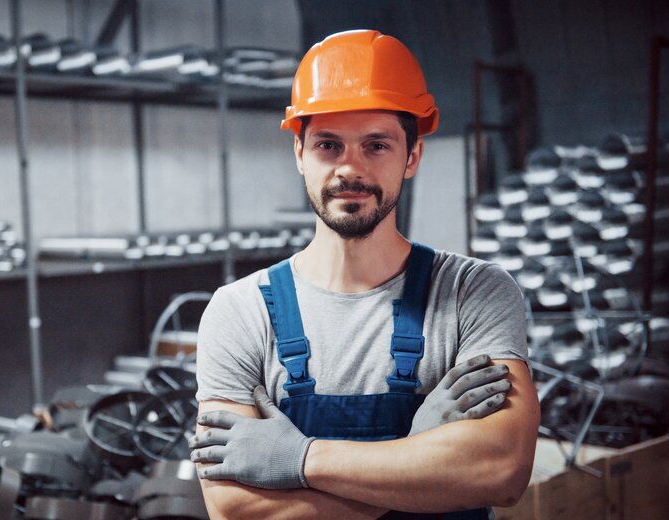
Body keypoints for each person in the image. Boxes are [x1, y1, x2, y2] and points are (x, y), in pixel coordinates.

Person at [189, 29, 540, 520]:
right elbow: (235, 509)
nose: (349, 168)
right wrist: (417, 455)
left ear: (411, 157)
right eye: (328, 145)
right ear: (299, 154)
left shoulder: (473, 293)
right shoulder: (240, 312)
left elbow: (500, 471)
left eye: (376, 145)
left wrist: (299, 459)